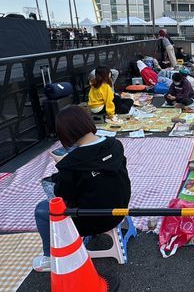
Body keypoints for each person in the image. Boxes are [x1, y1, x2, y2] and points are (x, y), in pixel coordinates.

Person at [32, 105, 131, 273]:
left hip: (91, 220)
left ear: (66, 133)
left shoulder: (70, 163)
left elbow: (62, 196)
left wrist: (61, 165)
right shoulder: (115, 144)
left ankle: (50, 257)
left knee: (42, 209)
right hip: (121, 209)